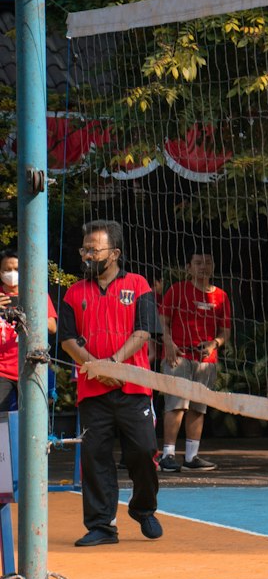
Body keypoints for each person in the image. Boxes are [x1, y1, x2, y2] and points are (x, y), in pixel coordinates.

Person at [58, 220, 162, 546]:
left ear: (114, 253)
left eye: (94, 249)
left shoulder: (139, 284)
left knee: (144, 451)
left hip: (134, 387)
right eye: (84, 249)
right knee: (94, 457)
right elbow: (66, 340)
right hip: (92, 390)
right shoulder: (74, 292)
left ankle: (143, 509)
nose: (87, 255)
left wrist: (115, 364)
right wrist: (93, 365)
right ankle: (102, 525)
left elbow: (144, 331)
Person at [158, 249, 231, 473]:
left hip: (205, 359)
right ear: (189, 267)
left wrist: (213, 344)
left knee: (199, 408)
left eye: (208, 262)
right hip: (177, 357)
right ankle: (167, 455)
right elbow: (163, 320)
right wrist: (168, 343)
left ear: (213, 267)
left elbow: (225, 331)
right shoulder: (177, 290)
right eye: (198, 262)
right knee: (176, 405)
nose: (203, 266)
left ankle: (191, 457)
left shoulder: (221, 296)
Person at [0, 248, 57, 408]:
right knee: (3, 423)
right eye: (7, 270)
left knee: (36, 417)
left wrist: (30, 314)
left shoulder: (37, 294)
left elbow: (52, 327)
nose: (11, 274)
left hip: (32, 365)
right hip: (2, 371)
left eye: (17, 269)